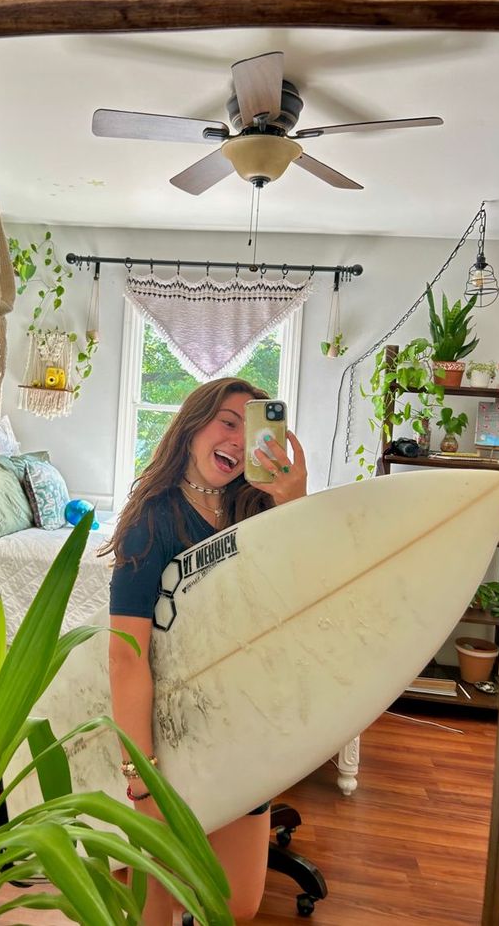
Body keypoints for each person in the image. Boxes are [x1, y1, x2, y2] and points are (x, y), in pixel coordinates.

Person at [104, 377, 308, 925]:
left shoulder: (256, 509)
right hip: (168, 733)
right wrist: (140, 773)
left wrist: (294, 504)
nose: (239, 443)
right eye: (228, 423)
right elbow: (126, 655)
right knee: (150, 907)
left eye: (253, 428)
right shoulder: (153, 520)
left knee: (235, 906)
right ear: (194, 426)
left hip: (242, 724)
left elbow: (294, 606)